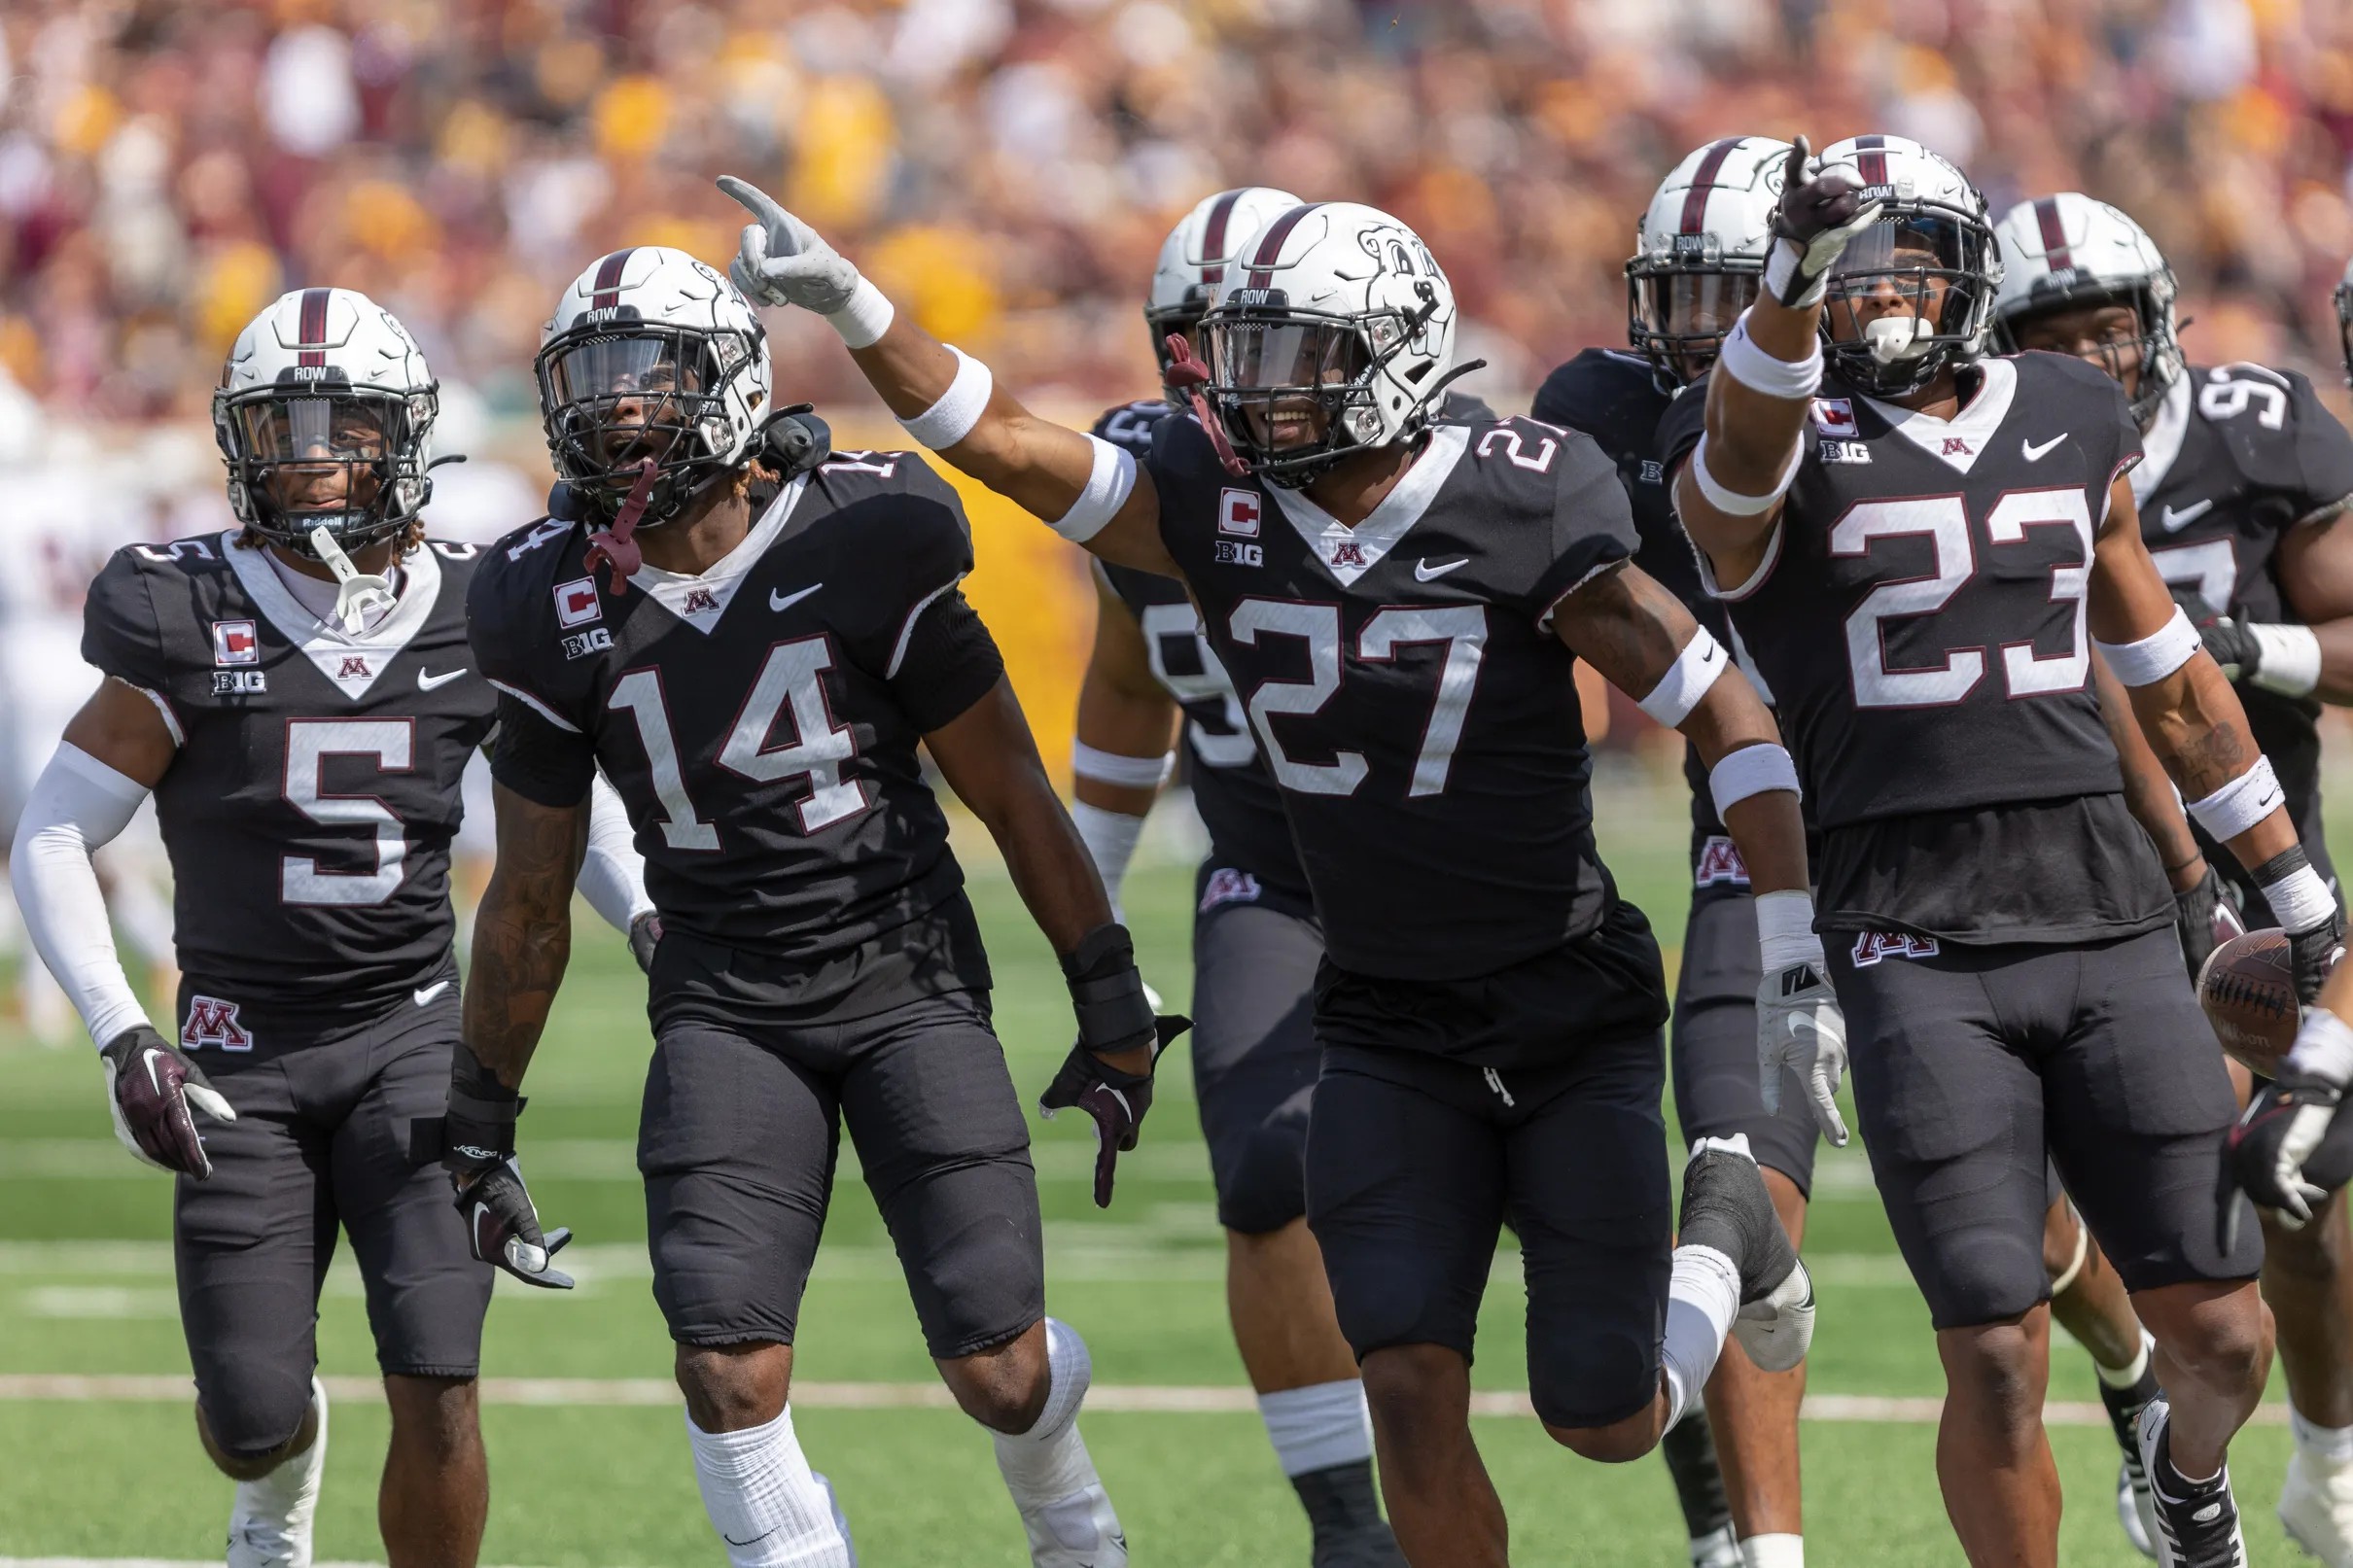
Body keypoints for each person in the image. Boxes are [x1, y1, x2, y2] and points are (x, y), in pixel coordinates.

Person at [720, 174, 1840, 1568]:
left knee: (1603, 1415)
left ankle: (1727, 1248)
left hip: (1564, 1010)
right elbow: (1000, 440)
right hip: (1381, 1023)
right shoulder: (1212, 498)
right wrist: (853, 302)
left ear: (1396, 359)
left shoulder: (1524, 492)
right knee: (1409, 1390)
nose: (1256, 388)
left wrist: (1791, 951)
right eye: (1248, 350)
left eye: (1300, 355)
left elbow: (1727, 711)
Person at [452, 245, 1177, 1568]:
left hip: (907, 980)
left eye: (651, 375)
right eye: (593, 377)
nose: (617, 406)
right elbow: (532, 897)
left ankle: (1069, 1516)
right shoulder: (542, 596)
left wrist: (1108, 991)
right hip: (726, 1003)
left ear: (731, 384)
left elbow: (1012, 792)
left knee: (1003, 1373)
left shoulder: (863, 530)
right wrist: (479, 1113)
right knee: (726, 1368)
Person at [1663, 133, 2331, 1567]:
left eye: (1905, 266)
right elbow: (1732, 481)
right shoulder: (1765, 427)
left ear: (1968, 276)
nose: (1880, 296)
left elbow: (2167, 677)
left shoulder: (2073, 409)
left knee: (2225, 1333)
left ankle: (2187, 1482)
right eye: (1848, 271)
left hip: (2105, 905)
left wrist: (2294, 889)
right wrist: (1787, 282)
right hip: (1910, 932)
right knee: (1993, 1347)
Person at [9, 287, 651, 1568]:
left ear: (405, 435)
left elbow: (565, 805)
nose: (310, 455)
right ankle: (276, 1497)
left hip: (413, 1036)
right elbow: (54, 830)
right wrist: (125, 1032)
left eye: (342, 425)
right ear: (236, 440)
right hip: (237, 1047)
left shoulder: (488, 600)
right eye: (281, 426)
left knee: (440, 1376)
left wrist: (647, 923)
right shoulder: (183, 604)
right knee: (248, 1420)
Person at [1996, 192, 2353, 1563]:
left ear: (2158, 322)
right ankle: (2150, 1408)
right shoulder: (1965, 457)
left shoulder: (2255, 430)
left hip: (2260, 858)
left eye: (2110, 329)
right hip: (2062, 866)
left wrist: (2242, 650)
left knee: (2294, 1189)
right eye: (2052, 339)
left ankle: (2323, 1458)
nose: (2094, 361)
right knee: (2042, 1209)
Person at [1072, 183, 1410, 1568]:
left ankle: (1711, 1503)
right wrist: (1091, 909)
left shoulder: (1420, 463)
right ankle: (1349, 1529)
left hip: (1453, 870)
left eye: (1266, 340)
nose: (1231, 375)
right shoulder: (1146, 480)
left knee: (1563, 1187)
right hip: (1267, 869)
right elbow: (1128, 681)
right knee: (1267, 1172)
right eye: (1200, 343)